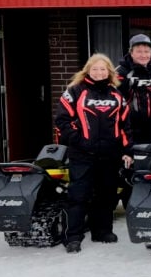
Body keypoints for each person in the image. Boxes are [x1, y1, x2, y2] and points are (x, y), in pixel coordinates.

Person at [54, 53, 133, 253]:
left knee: (106, 194)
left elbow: (125, 125)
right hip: (82, 154)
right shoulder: (74, 91)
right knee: (79, 195)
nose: (99, 73)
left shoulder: (116, 95)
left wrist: (126, 150)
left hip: (109, 155)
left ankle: (102, 231)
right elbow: (62, 121)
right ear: (88, 70)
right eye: (95, 69)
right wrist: (80, 141)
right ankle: (73, 237)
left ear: (109, 72)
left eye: (103, 69)